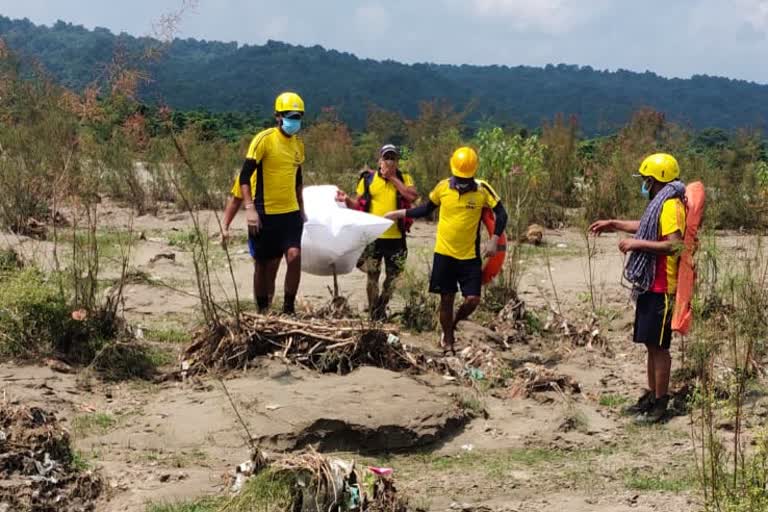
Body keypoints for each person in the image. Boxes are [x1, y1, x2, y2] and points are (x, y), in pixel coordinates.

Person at [590, 153, 686, 424]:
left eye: (646, 179)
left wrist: (635, 245)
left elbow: (675, 245)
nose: (643, 184)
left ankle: (661, 404)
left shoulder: (670, 206)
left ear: (656, 181)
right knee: (649, 345)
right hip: (649, 285)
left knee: (659, 348)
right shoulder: (661, 203)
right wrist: (614, 224)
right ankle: (652, 396)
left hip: (662, 287)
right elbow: (646, 228)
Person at [386, 146, 507, 354]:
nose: (462, 182)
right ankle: (448, 340)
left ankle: (452, 325)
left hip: (469, 256)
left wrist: (494, 239)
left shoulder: (482, 189)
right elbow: (426, 208)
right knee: (446, 299)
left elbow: (502, 214)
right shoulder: (443, 187)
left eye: (466, 179)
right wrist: (401, 213)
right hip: (444, 253)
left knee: (472, 300)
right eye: (460, 178)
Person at [221, 91, 306, 315]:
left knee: (294, 257)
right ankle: (263, 311)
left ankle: (289, 310)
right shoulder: (263, 140)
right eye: (289, 116)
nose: (294, 121)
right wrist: (248, 211)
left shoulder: (298, 145)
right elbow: (243, 179)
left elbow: (298, 178)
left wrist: (302, 209)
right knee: (263, 265)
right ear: (278, 116)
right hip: (264, 214)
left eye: (298, 117)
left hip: (290, 214)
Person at [336, 144, 418, 320]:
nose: (389, 161)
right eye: (386, 157)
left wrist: (393, 179)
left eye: (392, 158)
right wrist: (346, 200)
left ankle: (382, 305)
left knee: (394, 278)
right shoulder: (368, 179)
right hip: (373, 238)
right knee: (373, 275)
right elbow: (358, 205)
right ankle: (374, 314)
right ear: (379, 160)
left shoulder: (405, 178)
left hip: (396, 237)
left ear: (397, 161)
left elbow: (411, 196)